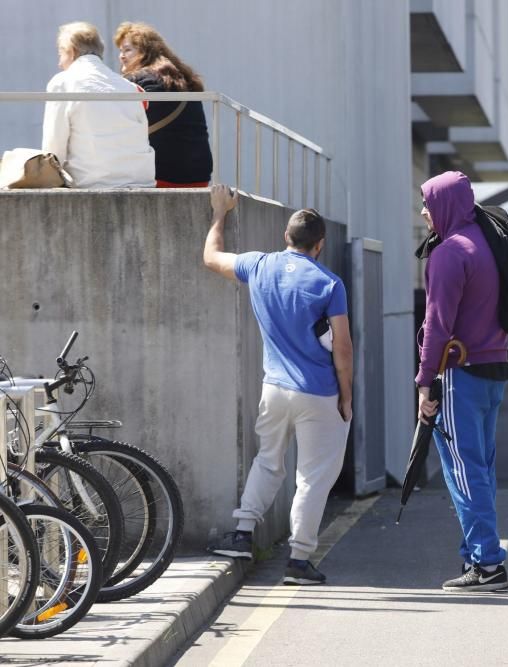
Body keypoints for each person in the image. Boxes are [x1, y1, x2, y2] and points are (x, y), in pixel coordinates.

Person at [204, 184, 353, 586]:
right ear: (319, 245)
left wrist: (220, 213)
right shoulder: (329, 284)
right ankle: (299, 560)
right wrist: (347, 397)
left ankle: (242, 534)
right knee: (313, 477)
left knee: (268, 461)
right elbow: (342, 346)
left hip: (274, 388)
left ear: (286, 237)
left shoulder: (259, 265)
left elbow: (211, 257)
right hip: (318, 393)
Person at [416, 170, 508, 592]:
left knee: (462, 469)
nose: (422, 211)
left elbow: (437, 324)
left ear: (446, 203)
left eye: (427, 201)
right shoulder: (487, 243)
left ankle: (488, 563)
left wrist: (424, 381)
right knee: (481, 467)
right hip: (495, 369)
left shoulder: (449, 253)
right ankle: (478, 556)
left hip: (462, 372)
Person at [42, 22, 155, 188]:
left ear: (71, 51)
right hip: (142, 182)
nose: (59, 63)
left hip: (92, 184)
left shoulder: (63, 82)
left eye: (60, 54)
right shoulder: (130, 87)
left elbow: (53, 148)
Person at [114, 22, 212, 188]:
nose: (121, 56)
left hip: (162, 175)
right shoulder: (184, 79)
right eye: (121, 51)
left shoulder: (142, 80)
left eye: (128, 49)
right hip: (198, 174)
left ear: (146, 51)